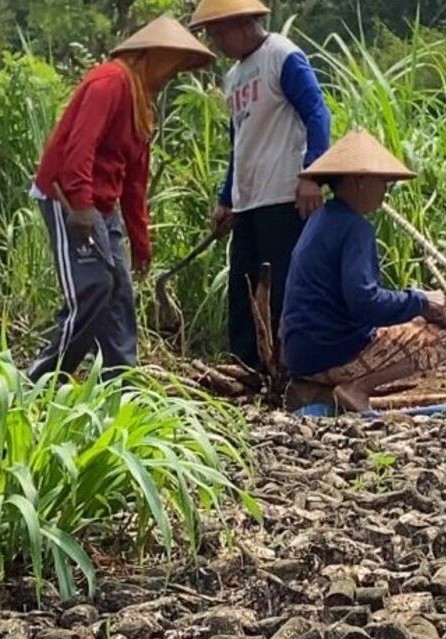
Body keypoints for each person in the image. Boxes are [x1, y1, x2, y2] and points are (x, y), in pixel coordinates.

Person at [28, 16, 214, 381]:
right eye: (170, 65)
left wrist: (140, 243)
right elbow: (80, 145)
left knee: (120, 293)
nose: (171, 75)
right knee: (94, 286)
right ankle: (42, 378)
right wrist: (80, 206)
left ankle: (119, 382)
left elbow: (133, 182)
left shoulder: (143, 107)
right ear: (149, 57)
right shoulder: (110, 82)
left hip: (102, 203)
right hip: (68, 194)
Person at [188, 0, 332, 370]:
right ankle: (247, 368)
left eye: (219, 32)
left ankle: (290, 368)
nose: (217, 42)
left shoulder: (281, 56)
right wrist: (226, 198)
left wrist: (312, 174)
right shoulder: (233, 77)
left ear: (243, 23)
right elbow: (240, 142)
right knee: (243, 288)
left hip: (283, 194)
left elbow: (317, 112)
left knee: (283, 287)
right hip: (249, 200)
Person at [280, 129, 446, 412]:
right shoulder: (355, 227)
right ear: (360, 180)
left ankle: (322, 391)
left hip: (300, 355)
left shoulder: (319, 220)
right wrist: (421, 302)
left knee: (409, 324)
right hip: (331, 351)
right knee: (442, 338)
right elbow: (364, 302)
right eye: (382, 181)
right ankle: (356, 389)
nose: (385, 189)